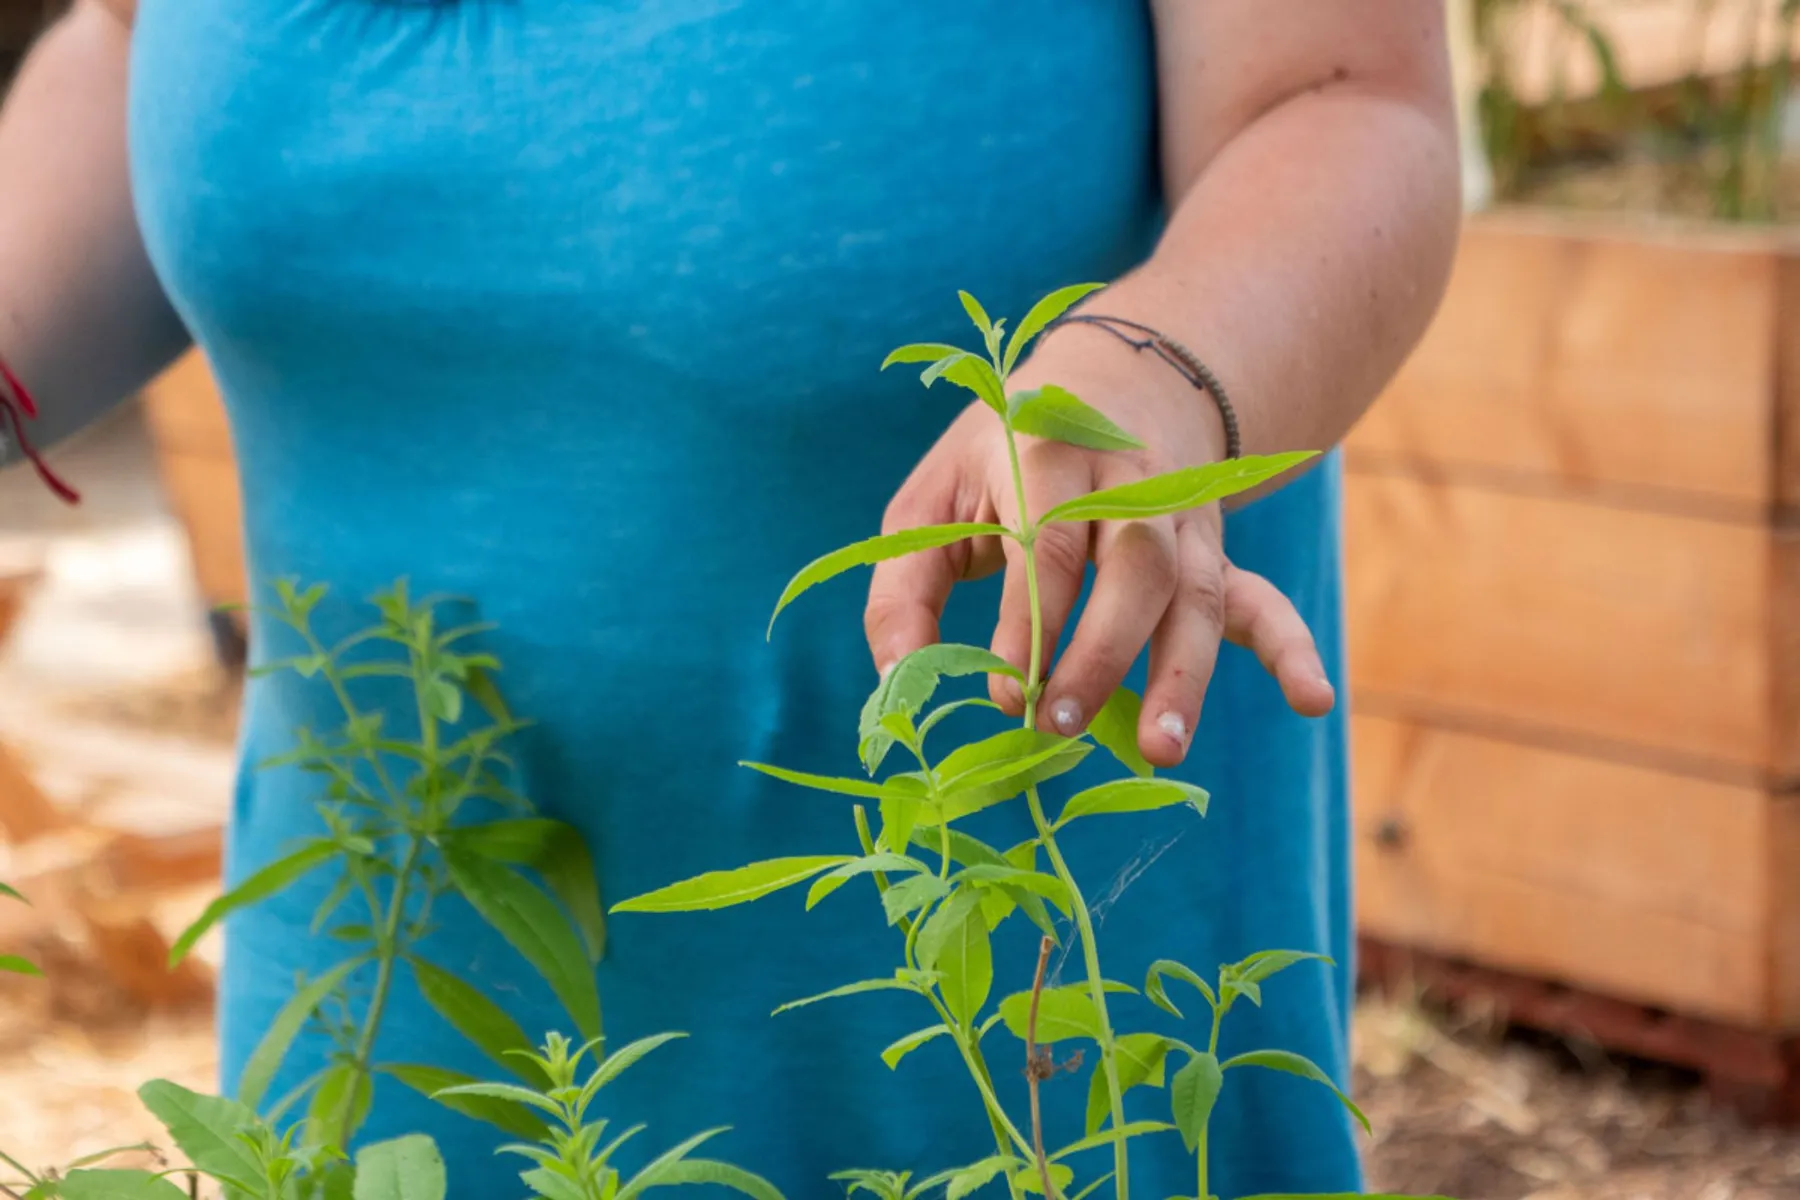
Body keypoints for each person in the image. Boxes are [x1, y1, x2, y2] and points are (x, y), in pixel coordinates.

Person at [0, 2, 1458, 1194]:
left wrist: (1159, 369)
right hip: (390, 1000)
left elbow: (1344, 98)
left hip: (986, 1021)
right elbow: (138, 44)